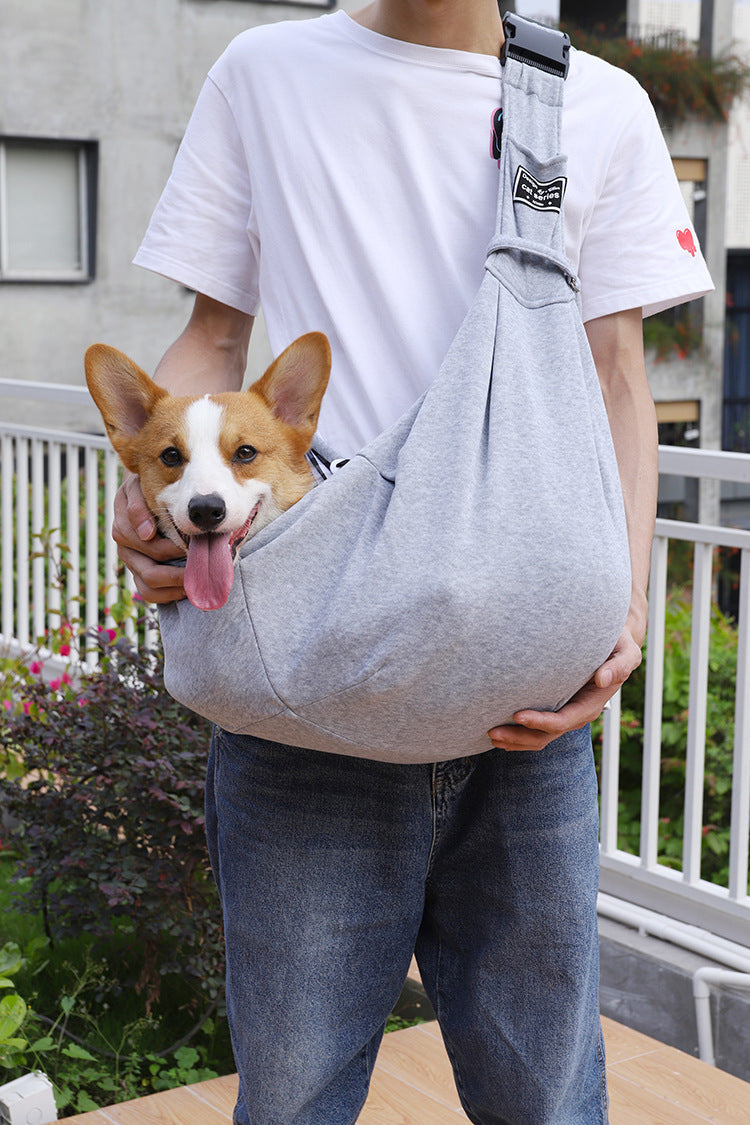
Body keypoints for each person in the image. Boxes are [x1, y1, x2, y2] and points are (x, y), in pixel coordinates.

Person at [114, 3, 713, 1122]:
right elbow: (212, 337)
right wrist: (148, 490)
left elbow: (618, 375)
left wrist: (625, 604)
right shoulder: (266, 72)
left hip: (525, 713)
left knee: (546, 1098)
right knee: (292, 1098)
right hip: (308, 693)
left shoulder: (597, 103)